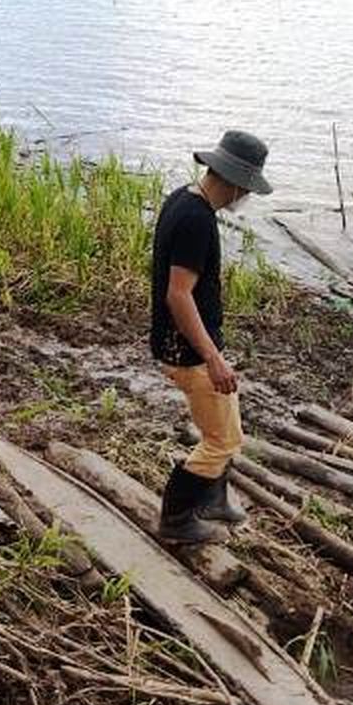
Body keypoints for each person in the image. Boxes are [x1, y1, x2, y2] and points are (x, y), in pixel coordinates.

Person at [151, 130, 272, 544]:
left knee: (227, 428)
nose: (247, 196)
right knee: (220, 441)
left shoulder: (183, 198)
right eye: (249, 188)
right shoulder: (196, 220)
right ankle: (177, 520)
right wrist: (212, 357)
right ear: (237, 182)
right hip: (188, 350)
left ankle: (214, 499)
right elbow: (178, 295)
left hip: (190, 343)